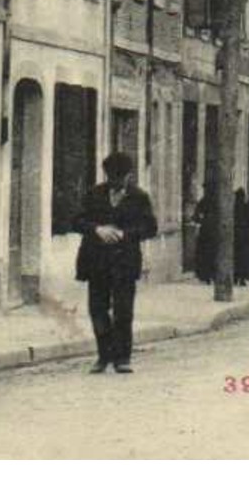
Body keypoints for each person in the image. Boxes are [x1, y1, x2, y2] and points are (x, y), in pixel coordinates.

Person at [75, 151, 158, 374]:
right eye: (112, 177)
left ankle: (122, 358)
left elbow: (150, 227)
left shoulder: (139, 197)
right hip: (96, 261)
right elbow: (77, 220)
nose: (116, 182)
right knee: (97, 310)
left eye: (120, 178)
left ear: (128, 176)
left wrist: (124, 234)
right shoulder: (94, 194)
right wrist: (97, 229)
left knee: (123, 311)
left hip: (125, 262)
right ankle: (103, 356)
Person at [191, 185, 218, 284]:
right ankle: (214, 275)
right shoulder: (217, 201)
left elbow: (195, 216)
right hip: (215, 232)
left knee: (204, 254)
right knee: (214, 253)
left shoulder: (204, 201)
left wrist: (200, 220)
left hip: (206, 231)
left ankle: (206, 275)